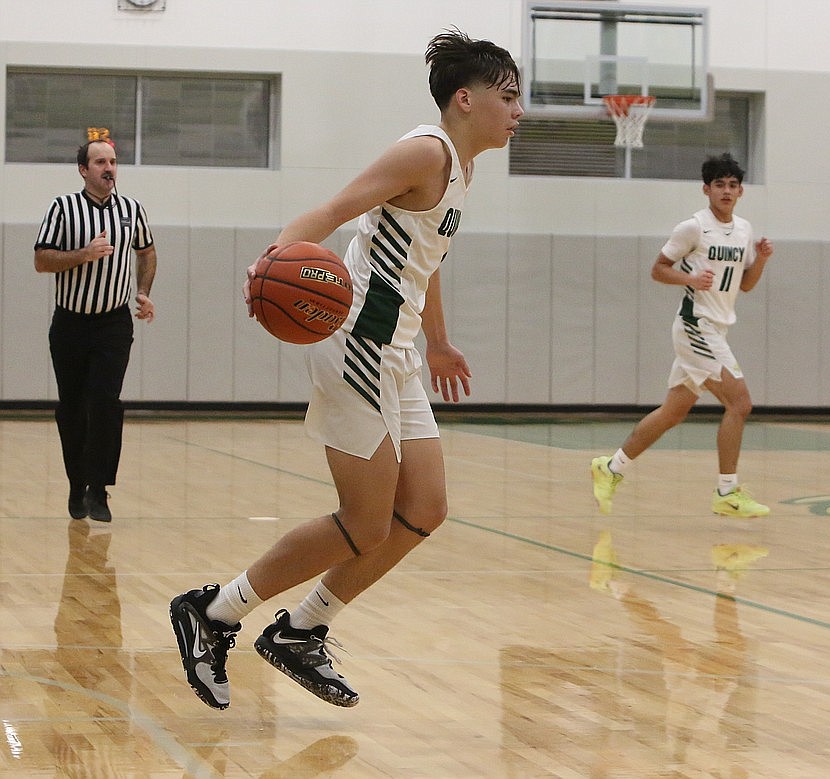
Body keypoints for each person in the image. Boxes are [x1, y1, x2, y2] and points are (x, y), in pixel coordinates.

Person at [168, 29, 523, 710]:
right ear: (465, 99)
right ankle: (214, 611)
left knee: (424, 508)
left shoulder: (464, 170)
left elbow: (427, 261)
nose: (518, 111)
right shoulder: (425, 150)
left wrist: (439, 344)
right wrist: (273, 257)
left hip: (399, 352)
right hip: (356, 342)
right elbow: (333, 211)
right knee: (365, 522)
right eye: (508, 97)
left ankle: (303, 627)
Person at [590, 153, 773, 519]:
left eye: (732, 185)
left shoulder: (744, 230)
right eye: (719, 184)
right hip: (696, 326)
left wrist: (763, 259)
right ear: (706, 189)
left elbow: (747, 285)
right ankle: (727, 491)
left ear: (740, 192)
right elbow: (658, 269)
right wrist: (689, 279)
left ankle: (611, 468)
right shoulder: (693, 227)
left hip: (717, 328)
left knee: (673, 412)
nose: (726, 190)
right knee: (740, 403)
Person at [33, 129, 158, 524]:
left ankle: (99, 489)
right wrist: (83, 255)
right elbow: (41, 260)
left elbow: (148, 250)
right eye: (101, 162)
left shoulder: (131, 209)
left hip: (113, 322)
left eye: (113, 162)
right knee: (73, 407)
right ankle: (75, 483)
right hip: (70, 322)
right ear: (83, 169)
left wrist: (143, 290)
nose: (109, 168)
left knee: (105, 401)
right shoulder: (62, 207)